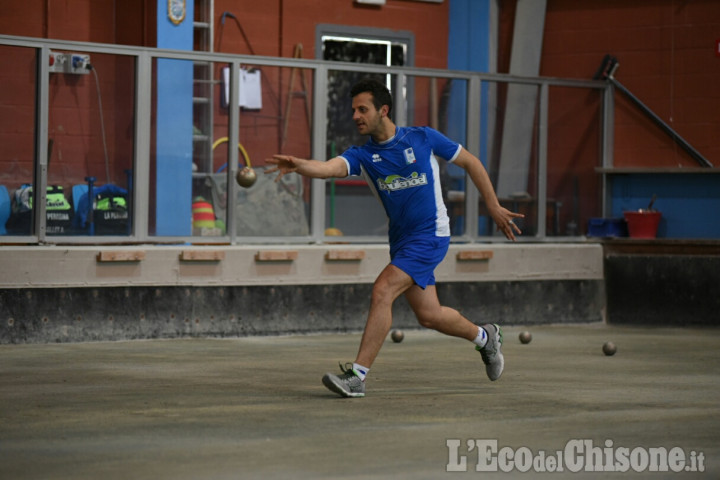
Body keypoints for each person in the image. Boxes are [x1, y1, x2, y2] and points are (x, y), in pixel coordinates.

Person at [265, 78, 523, 398]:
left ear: (383, 110)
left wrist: (493, 205)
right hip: (401, 242)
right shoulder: (362, 155)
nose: (356, 116)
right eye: (353, 110)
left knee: (383, 289)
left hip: (431, 234)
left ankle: (357, 377)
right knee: (430, 315)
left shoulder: (423, 138)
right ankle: (486, 338)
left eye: (363, 109)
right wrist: (300, 165)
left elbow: (470, 161)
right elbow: (329, 168)